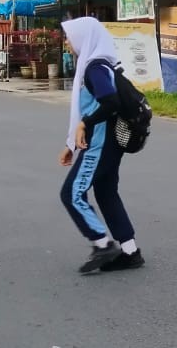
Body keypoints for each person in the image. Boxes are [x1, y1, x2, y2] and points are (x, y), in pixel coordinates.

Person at [60, 18, 144, 274]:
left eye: (70, 36)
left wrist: (86, 123)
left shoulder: (95, 68)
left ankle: (102, 244)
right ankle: (130, 252)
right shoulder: (101, 64)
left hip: (99, 143)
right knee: (106, 192)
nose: (67, 42)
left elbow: (110, 102)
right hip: (108, 143)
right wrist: (71, 145)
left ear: (84, 38)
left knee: (71, 194)